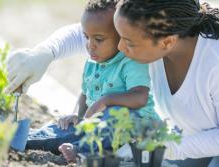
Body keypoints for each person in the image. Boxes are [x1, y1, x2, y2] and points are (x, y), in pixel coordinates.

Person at [6, 0, 219, 166]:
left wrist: (166, 147)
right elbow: (84, 34)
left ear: (167, 42)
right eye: (119, 37)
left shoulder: (213, 64)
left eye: (128, 42)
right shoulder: (148, 36)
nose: (120, 48)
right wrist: (45, 52)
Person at [25, 0, 159, 163]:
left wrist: (105, 101)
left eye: (99, 39)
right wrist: (77, 115)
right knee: (65, 128)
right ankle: (22, 137)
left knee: (114, 116)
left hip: (134, 125)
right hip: (98, 124)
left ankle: (80, 150)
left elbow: (140, 97)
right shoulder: (92, 63)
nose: (90, 45)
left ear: (121, 36)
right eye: (86, 37)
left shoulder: (130, 62)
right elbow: (85, 94)